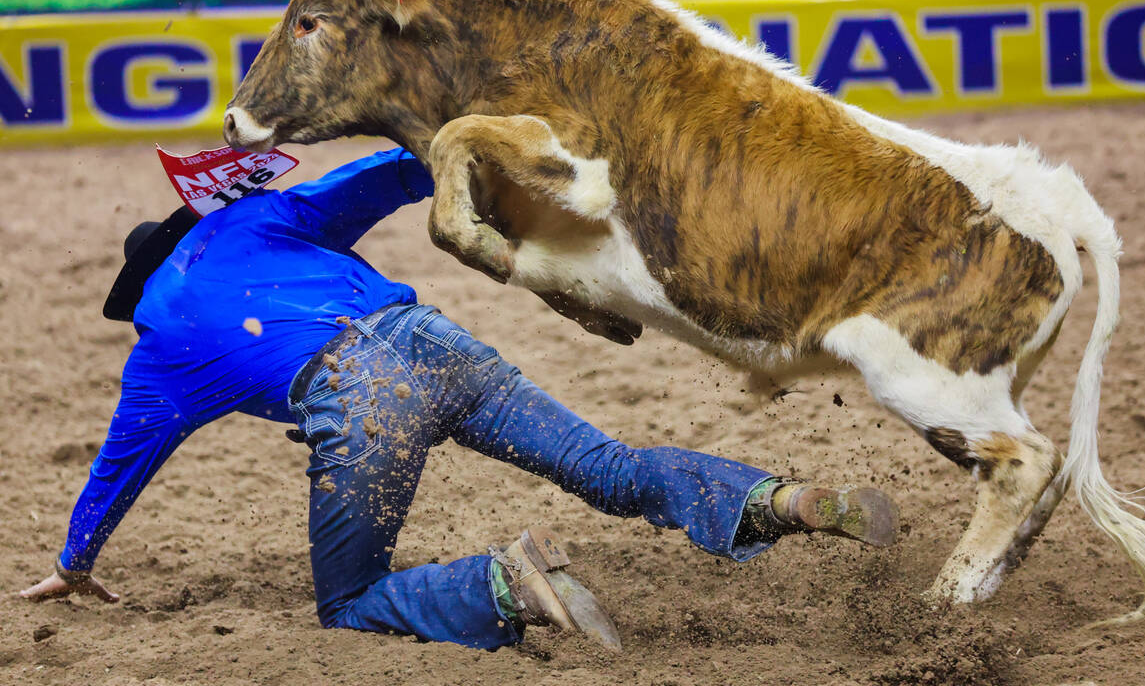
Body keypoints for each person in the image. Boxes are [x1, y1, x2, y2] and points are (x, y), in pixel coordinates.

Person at [20, 147, 898, 651]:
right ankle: (775, 498)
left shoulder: (155, 350)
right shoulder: (251, 219)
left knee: (349, 601)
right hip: (434, 341)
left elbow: (116, 471)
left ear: (137, 290)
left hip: (357, 398)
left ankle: (503, 583)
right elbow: (393, 172)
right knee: (608, 467)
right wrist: (454, 140)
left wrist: (75, 561)